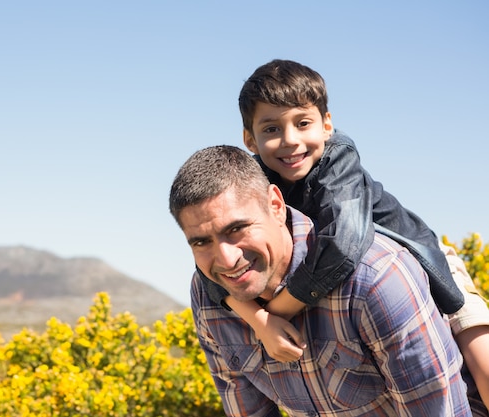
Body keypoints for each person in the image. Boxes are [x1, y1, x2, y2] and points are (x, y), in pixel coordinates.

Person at [200, 59, 489, 407]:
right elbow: (213, 269)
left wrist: (274, 313)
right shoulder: (255, 181)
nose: (290, 141)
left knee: (480, 359)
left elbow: (343, 244)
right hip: (343, 282)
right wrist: (259, 320)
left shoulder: (337, 160)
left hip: (424, 263)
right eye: (271, 129)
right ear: (250, 139)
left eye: (302, 123)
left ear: (327, 125)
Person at [169, 145, 478, 416]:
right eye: (201, 243)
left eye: (236, 229)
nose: (225, 260)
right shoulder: (210, 294)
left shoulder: (376, 278)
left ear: (275, 206)